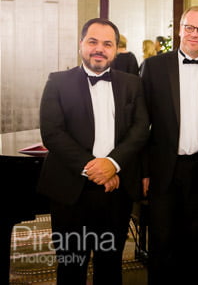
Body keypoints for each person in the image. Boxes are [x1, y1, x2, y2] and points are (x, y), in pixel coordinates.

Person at [37, 18, 149, 284]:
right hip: (71, 191)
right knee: (71, 265)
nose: (100, 49)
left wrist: (113, 163)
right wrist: (96, 168)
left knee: (110, 265)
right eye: (93, 41)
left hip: (116, 191)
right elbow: (52, 132)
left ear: (115, 49)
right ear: (81, 45)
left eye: (107, 43)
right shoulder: (58, 81)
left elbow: (140, 128)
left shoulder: (132, 83)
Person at [140, 6, 198, 284]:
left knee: (197, 239)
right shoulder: (154, 66)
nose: (194, 34)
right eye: (189, 27)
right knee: (161, 240)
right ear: (179, 29)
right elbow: (141, 122)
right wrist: (143, 171)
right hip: (163, 169)